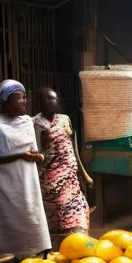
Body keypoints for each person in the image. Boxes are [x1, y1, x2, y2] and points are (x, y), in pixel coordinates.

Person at [0, 80, 50, 259]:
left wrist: (37, 157)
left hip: (28, 180)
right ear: (4, 101)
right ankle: (16, 259)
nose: (23, 101)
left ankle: (33, 257)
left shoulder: (26, 121)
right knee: (12, 220)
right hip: (6, 182)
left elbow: (33, 150)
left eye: (25, 97)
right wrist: (18, 156)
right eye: (17, 97)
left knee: (32, 215)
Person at [33, 88, 92, 250]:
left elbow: (72, 146)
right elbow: (37, 152)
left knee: (78, 209)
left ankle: (79, 245)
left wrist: (84, 174)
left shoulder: (65, 119)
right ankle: (62, 249)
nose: (52, 102)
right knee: (57, 215)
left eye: (54, 99)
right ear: (39, 102)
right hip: (51, 180)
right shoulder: (36, 123)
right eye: (48, 99)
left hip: (71, 177)